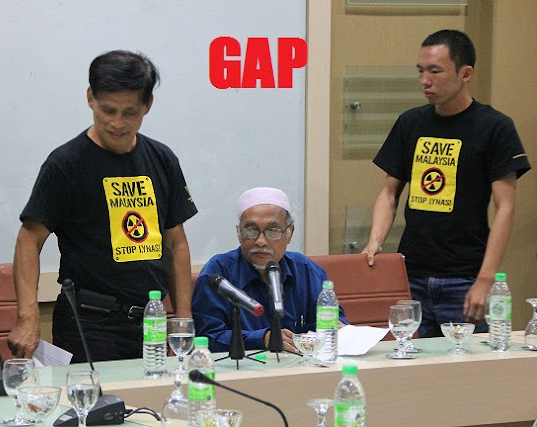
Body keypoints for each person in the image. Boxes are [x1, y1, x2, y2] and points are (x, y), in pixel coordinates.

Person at [7, 50, 197, 362]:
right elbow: (29, 239)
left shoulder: (162, 160)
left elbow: (176, 243)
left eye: (129, 112)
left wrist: (183, 319)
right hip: (90, 324)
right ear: (90, 98)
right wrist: (27, 317)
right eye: (108, 110)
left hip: (150, 322)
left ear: (148, 105)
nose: (117, 123)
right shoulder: (66, 164)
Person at [362, 30, 531, 338]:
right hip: (410, 275)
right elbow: (389, 193)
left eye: (435, 71)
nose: (425, 81)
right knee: (409, 359)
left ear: (465, 74)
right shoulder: (410, 122)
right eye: (421, 71)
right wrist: (374, 242)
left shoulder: (495, 127)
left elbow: (505, 208)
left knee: (467, 364)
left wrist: (486, 279)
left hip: (465, 278)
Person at [192, 187, 348, 353]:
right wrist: (262, 339)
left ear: (289, 233)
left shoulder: (307, 272)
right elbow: (207, 337)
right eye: (251, 230)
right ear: (239, 232)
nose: (261, 241)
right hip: (241, 367)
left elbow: (334, 323)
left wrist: (338, 330)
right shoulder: (219, 272)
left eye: (272, 231)